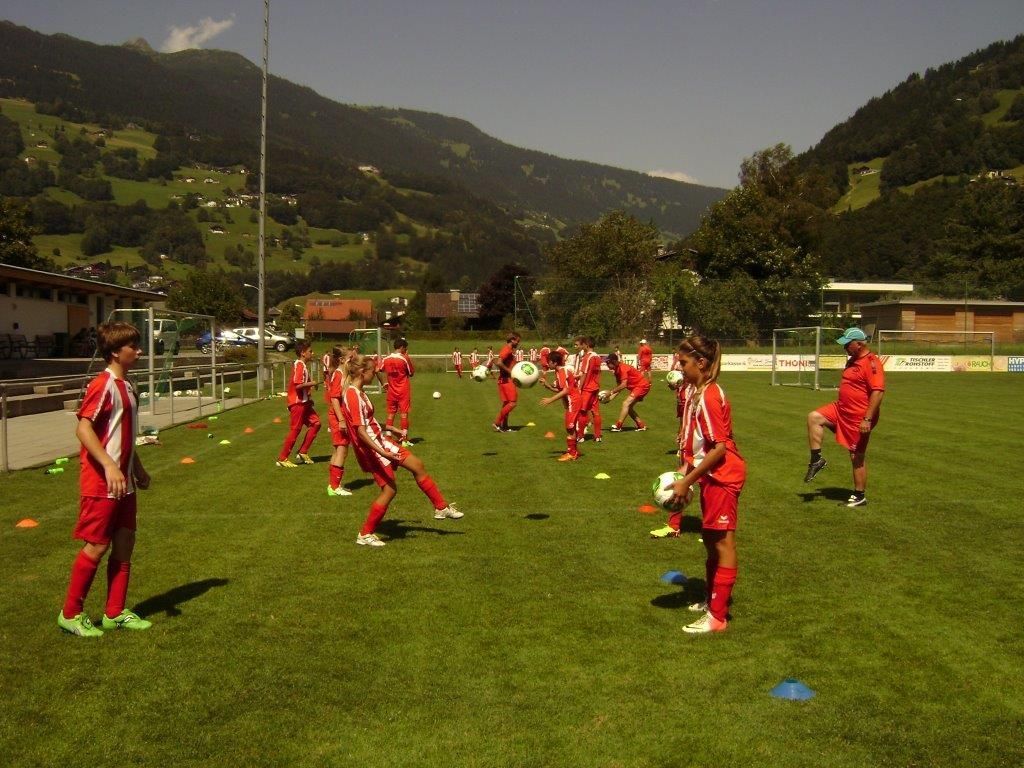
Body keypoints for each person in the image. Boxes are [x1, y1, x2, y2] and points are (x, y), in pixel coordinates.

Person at [58, 321, 152, 636]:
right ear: (115, 352)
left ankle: (114, 612)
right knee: (96, 547)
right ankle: (71, 614)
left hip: (123, 482)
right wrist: (110, 467)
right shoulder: (104, 384)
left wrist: (135, 467)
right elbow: (83, 428)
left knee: (125, 543)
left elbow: (121, 434)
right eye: (133, 347)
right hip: (102, 483)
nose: (139, 351)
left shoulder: (127, 385)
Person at [341, 355, 463, 547]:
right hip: (375, 449)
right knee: (389, 490)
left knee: (417, 466)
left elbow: (368, 423)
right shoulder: (352, 395)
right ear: (363, 372)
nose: (375, 374)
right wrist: (383, 453)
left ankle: (441, 507)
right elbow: (360, 431)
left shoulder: (358, 392)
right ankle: (365, 533)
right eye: (373, 371)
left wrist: (390, 428)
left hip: (382, 441)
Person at [669, 335, 746, 634]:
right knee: (711, 540)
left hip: (723, 477)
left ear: (701, 362)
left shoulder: (710, 395)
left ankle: (717, 617)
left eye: (684, 362)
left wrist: (687, 480)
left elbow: (719, 448)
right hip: (709, 476)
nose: (680, 367)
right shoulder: (694, 392)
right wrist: (684, 475)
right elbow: (695, 443)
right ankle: (711, 600)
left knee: (723, 543)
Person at [805, 327, 885, 507]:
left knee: (856, 456)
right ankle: (817, 460)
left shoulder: (872, 363)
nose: (845, 348)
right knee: (814, 417)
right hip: (841, 409)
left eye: (847, 344)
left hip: (858, 417)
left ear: (859, 344)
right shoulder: (853, 360)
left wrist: (867, 419)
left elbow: (878, 392)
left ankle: (859, 495)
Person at [276, 340, 321, 468]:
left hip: (304, 402)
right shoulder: (299, 365)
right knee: (295, 430)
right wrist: (312, 383)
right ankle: (282, 458)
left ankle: (303, 451)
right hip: (297, 403)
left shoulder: (302, 365)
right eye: (310, 351)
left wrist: (309, 394)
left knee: (316, 423)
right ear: (302, 353)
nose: (312, 353)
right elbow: (298, 385)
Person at [539, 349, 581, 460]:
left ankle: (572, 454)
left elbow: (566, 391)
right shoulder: (559, 372)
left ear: (555, 362)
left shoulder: (562, 371)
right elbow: (561, 390)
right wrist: (548, 386)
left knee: (570, 428)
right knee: (569, 428)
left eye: (549, 362)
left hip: (574, 402)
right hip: (571, 402)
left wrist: (550, 400)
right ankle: (573, 451)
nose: (548, 364)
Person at [564, 335, 602, 457]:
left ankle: (580, 436)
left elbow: (584, 374)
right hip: (596, 387)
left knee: (582, 411)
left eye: (583, 344)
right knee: (595, 412)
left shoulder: (588, 357)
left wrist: (579, 388)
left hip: (587, 388)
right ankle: (597, 436)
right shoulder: (597, 357)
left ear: (586, 345)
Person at [324, 346, 353, 497]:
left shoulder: (345, 373)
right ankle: (335, 487)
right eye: (351, 358)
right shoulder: (338, 374)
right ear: (342, 360)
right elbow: (334, 398)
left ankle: (333, 485)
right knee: (342, 449)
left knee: (338, 450)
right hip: (337, 417)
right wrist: (341, 420)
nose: (353, 361)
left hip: (341, 416)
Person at [379, 338, 415, 446]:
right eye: (405, 348)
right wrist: (407, 357)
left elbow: (379, 369)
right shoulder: (404, 358)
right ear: (402, 347)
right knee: (404, 414)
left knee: (390, 414)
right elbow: (411, 373)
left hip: (391, 390)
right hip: (403, 390)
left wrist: (384, 383)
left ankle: (388, 438)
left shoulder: (386, 359)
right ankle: (404, 439)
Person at [604, 352, 651, 432]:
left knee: (626, 403)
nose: (607, 365)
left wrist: (610, 392)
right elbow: (619, 388)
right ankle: (641, 425)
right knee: (628, 407)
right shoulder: (617, 371)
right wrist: (609, 399)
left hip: (641, 385)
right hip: (638, 386)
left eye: (608, 363)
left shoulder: (623, 368)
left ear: (614, 361)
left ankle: (618, 426)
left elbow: (623, 385)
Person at [491, 332, 521, 432]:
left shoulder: (510, 350)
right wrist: (511, 372)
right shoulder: (507, 349)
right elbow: (499, 362)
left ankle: (505, 426)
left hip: (504, 379)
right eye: (517, 341)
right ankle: (496, 423)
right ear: (512, 340)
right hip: (506, 380)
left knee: (507, 403)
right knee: (512, 403)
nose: (518, 343)